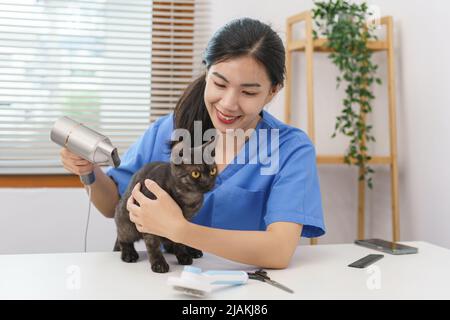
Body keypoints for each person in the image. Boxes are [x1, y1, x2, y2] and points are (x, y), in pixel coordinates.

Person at [60, 18, 325, 269]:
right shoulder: (169, 129)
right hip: (165, 281)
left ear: (273, 91)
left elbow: (278, 251)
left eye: (248, 92)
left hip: (248, 287)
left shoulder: (290, 149)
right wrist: (88, 170)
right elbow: (114, 206)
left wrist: (180, 230)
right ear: (206, 72)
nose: (229, 103)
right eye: (220, 83)